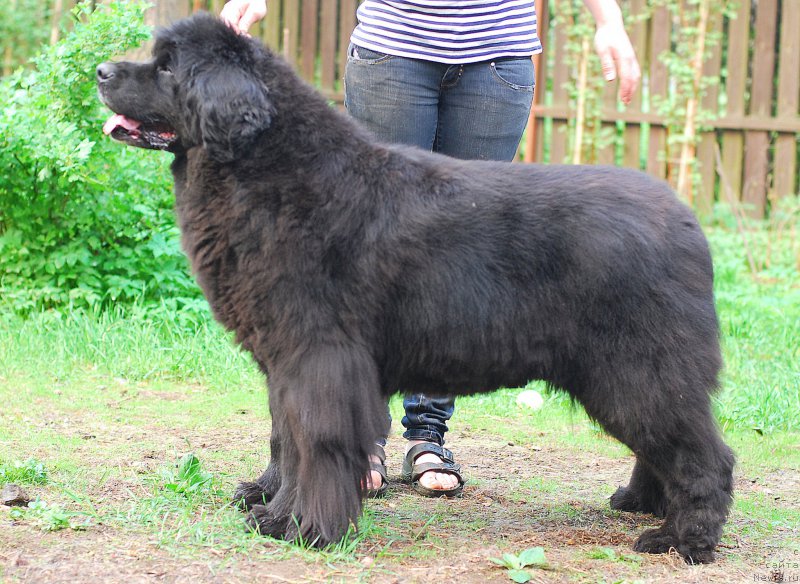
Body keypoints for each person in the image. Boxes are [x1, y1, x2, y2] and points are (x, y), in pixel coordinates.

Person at [221, 0, 641, 498]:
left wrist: (608, 21)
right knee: (367, 261)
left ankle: (428, 434)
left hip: (497, 59)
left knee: (457, 265)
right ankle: (361, 443)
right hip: (393, 51)